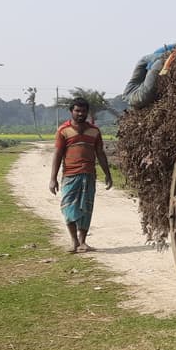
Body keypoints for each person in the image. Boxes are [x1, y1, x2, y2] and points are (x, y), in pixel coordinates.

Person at [49, 97, 113, 253]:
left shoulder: (94, 131)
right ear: (71, 111)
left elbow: (100, 153)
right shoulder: (63, 131)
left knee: (86, 208)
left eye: (83, 111)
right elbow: (58, 154)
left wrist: (108, 174)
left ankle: (83, 242)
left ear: (87, 112)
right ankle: (74, 241)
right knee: (68, 207)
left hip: (89, 175)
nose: (80, 114)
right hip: (70, 175)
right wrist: (53, 179)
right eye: (77, 111)